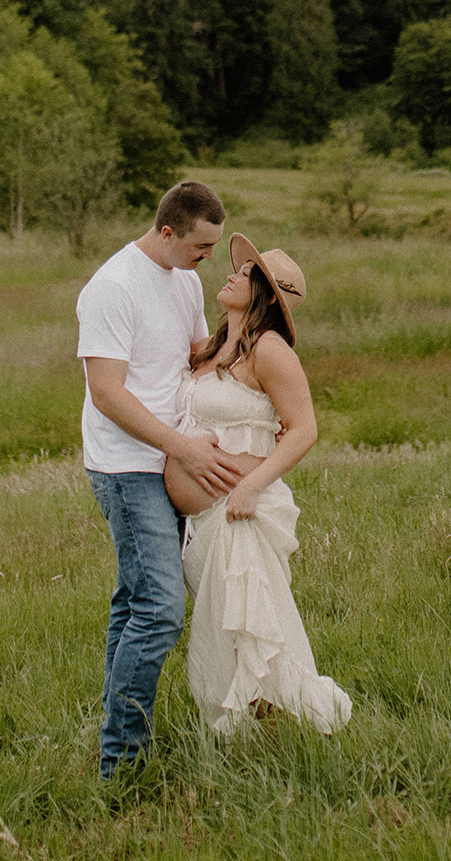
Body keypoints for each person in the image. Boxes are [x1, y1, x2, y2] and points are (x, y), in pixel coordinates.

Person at [77, 181, 248, 779]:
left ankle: (114, 746)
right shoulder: (113, 286)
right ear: (169, 232)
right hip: (128, 467)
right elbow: (107, 394)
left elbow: (190, 354)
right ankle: (120, 763)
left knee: (133, 603)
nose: (208, 257)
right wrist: (184, 449)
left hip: (171, 465)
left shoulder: (184, 281)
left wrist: (248, 324)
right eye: (202, 246)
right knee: (160, 609)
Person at [164, 233, 352, 734]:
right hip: (198, 520)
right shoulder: (212, 345)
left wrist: (249, 488)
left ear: (265, 295)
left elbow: (305, 430)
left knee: (245, 628)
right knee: (224, 628)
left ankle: (269, 733)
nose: (230, 273)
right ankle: (254, 736)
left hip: (237, 513)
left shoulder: (270, 351)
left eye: (246, 274)